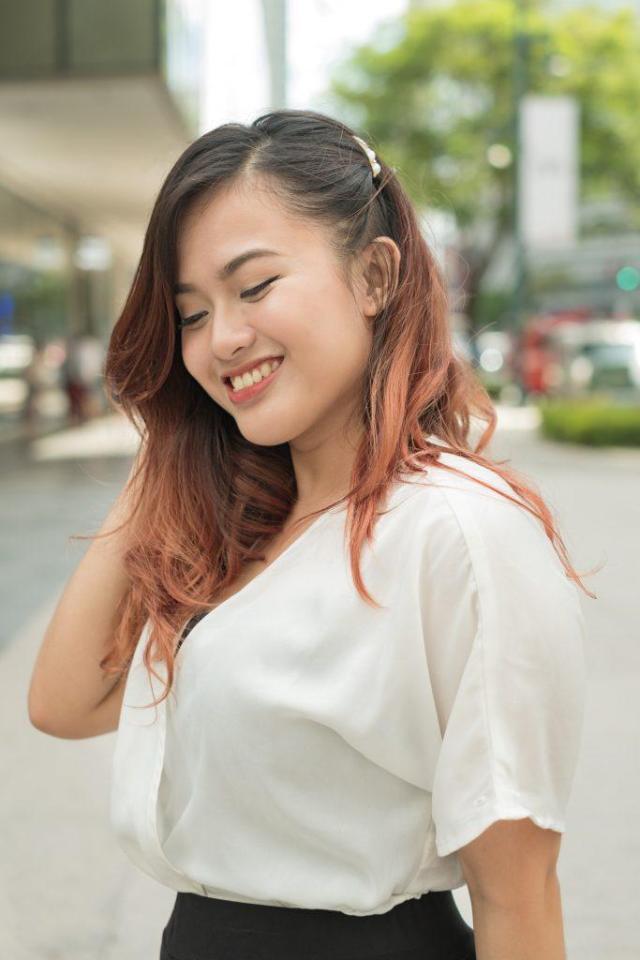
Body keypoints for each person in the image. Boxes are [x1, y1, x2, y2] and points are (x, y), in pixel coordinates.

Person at [28, 110, 596, 960]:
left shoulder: (459, 531)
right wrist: (174, 431)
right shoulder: (246, 531)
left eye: (254, 288)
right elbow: (64, 701)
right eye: (190, 314)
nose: (222, 338)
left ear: (374, 277)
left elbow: (518, 900)